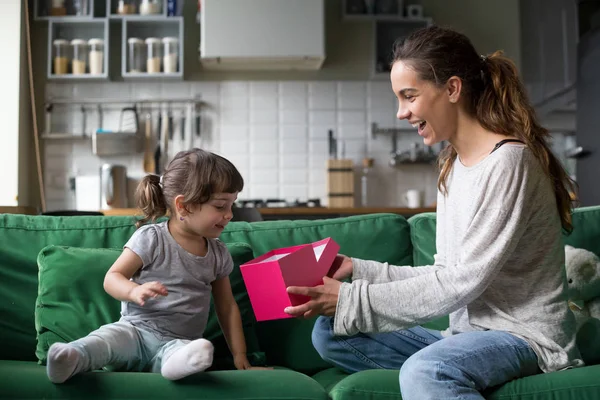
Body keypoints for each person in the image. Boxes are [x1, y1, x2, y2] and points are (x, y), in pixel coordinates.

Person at [284, 25, 584, 399]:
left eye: (409, 96)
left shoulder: (509, 162)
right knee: (331, 332)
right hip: (467, 337)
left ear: (452, 89)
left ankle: (438, 380)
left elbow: (463, 282)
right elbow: (446, 271)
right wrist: (361, 271)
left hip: (525, 335)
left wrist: (351, 299)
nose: (401, 112)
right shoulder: (453, 165)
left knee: (427, 369)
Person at [46, 148, 268, 384]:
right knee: (107, 340)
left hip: (178, 342)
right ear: (183, 206)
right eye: (221, 206)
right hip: (135, 332)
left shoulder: (218, 253)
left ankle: (174, 365)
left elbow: (227, 307)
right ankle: (71, 358)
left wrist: (240, 356)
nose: (230, 214)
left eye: (232, 205)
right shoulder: (151, 238)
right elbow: (112, 277)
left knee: (193, 351)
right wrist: (133, 291)